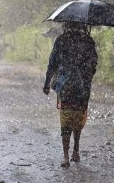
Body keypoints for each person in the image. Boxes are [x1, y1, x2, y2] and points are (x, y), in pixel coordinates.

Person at [43, 22, 98, 168]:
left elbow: (52, 63)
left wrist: (47, 82)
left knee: (66, 120)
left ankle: (66, 156)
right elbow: (94, 65)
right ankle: (76, 150)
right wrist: (85, 73)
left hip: (65, 86)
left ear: (66, 25)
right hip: (83, 88)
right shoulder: (88, 40)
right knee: (78, 119)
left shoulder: (61, 40)